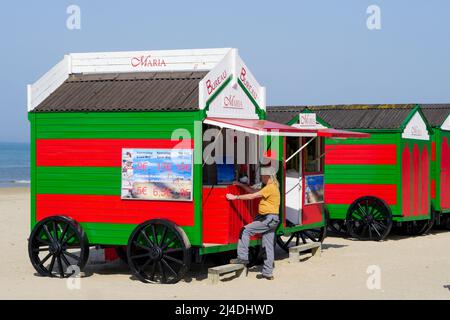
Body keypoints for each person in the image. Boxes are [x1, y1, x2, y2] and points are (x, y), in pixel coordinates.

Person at [226, 165, 280, 280]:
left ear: (267, 176)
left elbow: (252, 196)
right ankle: (268, 273)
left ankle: (242, 257)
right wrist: (241, 185)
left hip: (268, 219)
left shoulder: (270, 187)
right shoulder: (272, 186)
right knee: (268, 247)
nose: (261, 178)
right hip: (273, 220)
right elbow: (254, 191)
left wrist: (235, 197)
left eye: (262, 176)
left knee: (245, 230)